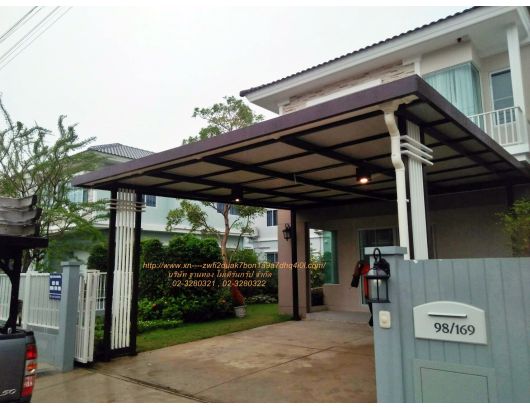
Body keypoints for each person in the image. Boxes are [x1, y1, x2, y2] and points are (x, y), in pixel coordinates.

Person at [352, 261, 373, 327]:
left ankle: (371, 325)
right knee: (374, 313)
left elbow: (356, 274)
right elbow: (356, 274)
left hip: (371, 294)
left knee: (374, 314)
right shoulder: (365, 268)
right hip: (368, 294)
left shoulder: (369, 268)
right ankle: (371, 325)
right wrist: (357, 265)